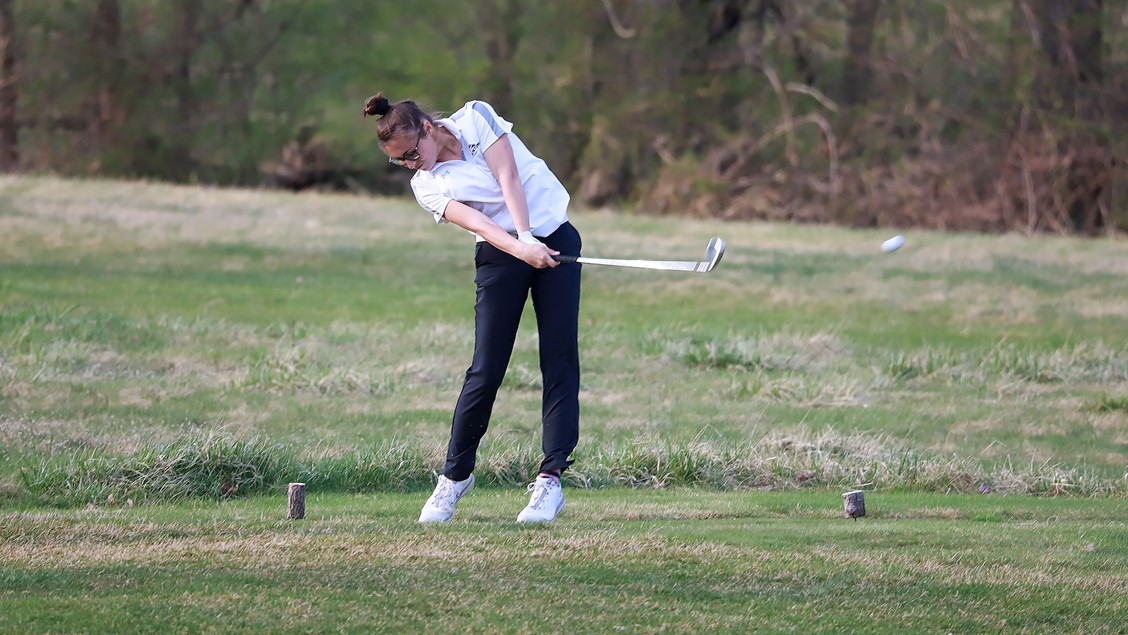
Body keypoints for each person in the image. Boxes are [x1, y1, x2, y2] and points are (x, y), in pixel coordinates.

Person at [363, 92, 582, 524]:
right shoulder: (426, 184)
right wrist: (521, 245)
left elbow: (509, 179)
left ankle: (550, 480)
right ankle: (455, 477)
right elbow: (480, 223)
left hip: (553, 235)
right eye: (399, 161)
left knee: (559, 358)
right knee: (485, 368)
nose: (411, 164)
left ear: (427, 128)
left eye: (411, 153)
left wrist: (530, 236)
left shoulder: (478, 117)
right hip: (501, 251)